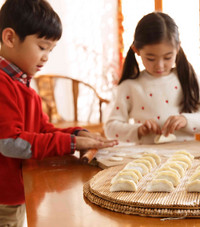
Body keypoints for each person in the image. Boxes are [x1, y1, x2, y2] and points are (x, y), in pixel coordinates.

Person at [0, 0, 118, 226]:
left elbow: (43, 130)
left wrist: (78, 133)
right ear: (10, 38)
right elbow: (10, 143)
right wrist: (70, 143)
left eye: (50, 50)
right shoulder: (3, 85)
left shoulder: (23, 86)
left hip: (15, 194)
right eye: (42, 47)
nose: (46, 57)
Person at [104, 12, 200, 144]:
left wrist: (186, 120)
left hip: (185, 156)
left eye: (167, 57)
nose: (160, 65)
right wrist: (138, 130)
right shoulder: (130, 86)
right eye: (151, 58)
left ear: (177, 48)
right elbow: (110, 129)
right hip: (145, 158)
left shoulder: (189, 79)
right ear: (136, 51)